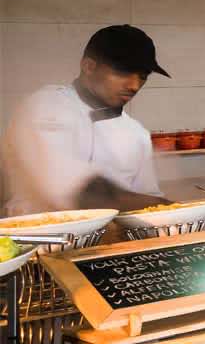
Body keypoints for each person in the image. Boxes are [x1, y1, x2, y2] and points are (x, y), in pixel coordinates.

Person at [1, 25, 172, 214]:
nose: (134, 85)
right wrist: (168, 206)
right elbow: (77, 191)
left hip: (114, 233)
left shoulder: (136, 133)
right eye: (123, 72)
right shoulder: (45, 106)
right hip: (39, 231)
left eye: (142, 76)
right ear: (89, 66)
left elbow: (149, 202)